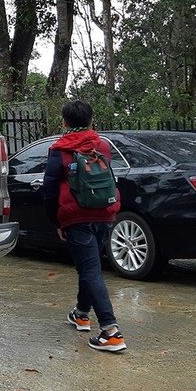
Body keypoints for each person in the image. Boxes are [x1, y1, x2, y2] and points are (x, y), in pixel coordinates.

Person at [42, 99, 126, 353]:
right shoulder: (102, 145)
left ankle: (111, 332)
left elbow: (48, 189)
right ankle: (81, 313)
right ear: (91, 120)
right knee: (91, 267)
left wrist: (56, 221)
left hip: (76, 216)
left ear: (65, 122)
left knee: (90, 270)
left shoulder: (59, 149)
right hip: (105, 211)